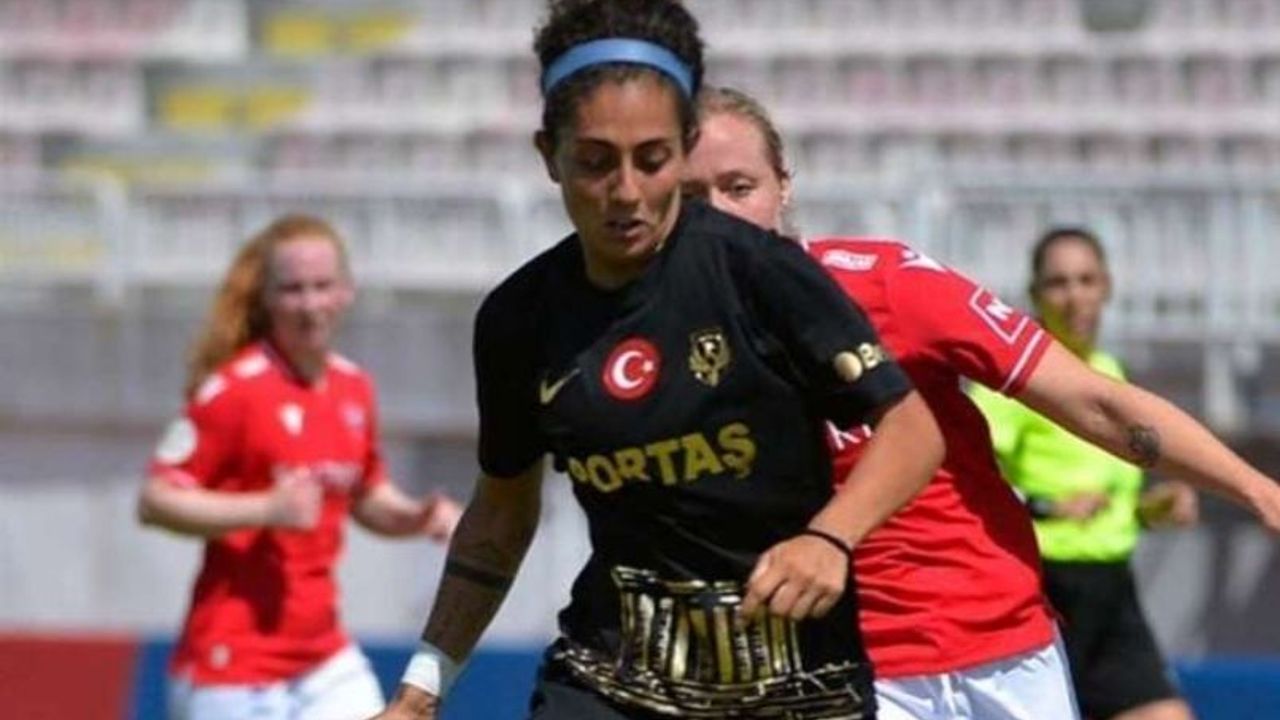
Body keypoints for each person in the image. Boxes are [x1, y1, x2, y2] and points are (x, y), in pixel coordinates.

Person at [374, 1, 947, 718]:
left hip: (797, 688)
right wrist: (419, 691)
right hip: (611, 681)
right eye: (594, 162)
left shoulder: (760, 272)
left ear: (686, 148)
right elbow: (500, 517)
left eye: (652, 160)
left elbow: (913, 429)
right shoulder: (519, 319)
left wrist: (830, 537)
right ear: (548, 154)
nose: (626, 193)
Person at [683, 85, 1280, 720]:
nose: (718, 214)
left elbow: (1096, 404)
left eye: (739, 187)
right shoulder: (655, 345)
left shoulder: (888, 283)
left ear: (783, 186)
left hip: (1003, 649)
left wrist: (1258, 492)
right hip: (844, 669)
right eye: (692, 197)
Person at [137, 214, 463, 720]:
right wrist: (265, 508)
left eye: (322, 286)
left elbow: (365, 492)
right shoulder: (235, 390)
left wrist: (415, 517)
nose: (310, 305)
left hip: (322, 657)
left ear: (347, 291)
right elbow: (156, 499)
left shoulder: (353, 387)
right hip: (232, 664)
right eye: (293, 290)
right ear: (267, 299)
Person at [970, 227, 1199, 720]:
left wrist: (1148, 512)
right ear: (1035, 294)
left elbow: (1103, 505)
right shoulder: (1015, 381)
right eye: (1058, 283)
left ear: (1106, 287)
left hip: (1111, 591)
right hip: (1042, 587)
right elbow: (964, 480)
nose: (1074, 296)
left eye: (1086, 280)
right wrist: (1047, 507)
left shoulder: (1108, 372)